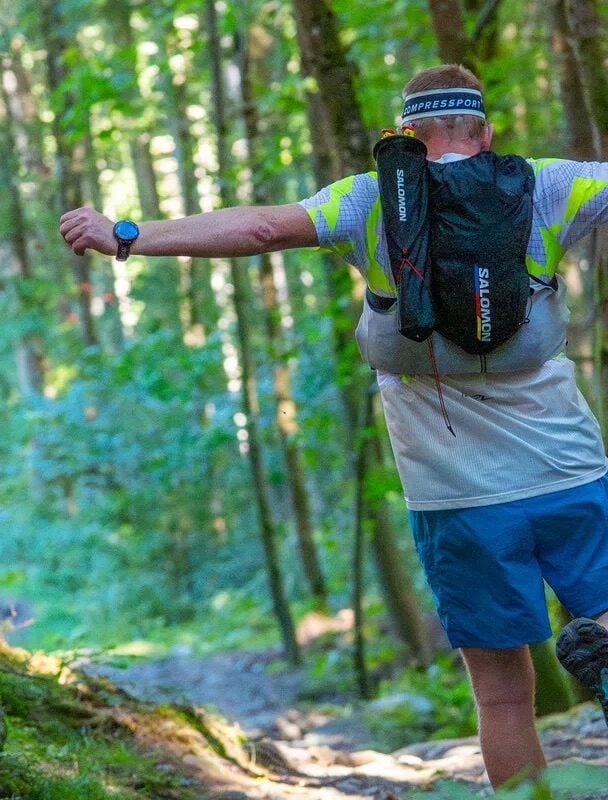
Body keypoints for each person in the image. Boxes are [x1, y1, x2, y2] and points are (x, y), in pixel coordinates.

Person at [60, 64, 608, 789]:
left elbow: (260, 227)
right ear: (485, 131)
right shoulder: (549, 185)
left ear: (406, 135)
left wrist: (126, 233)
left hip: (458, 500)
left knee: (503, 696)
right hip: (571, 473)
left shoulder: (372, 199)